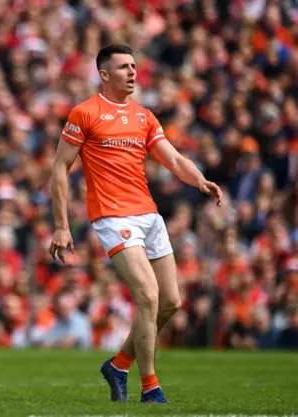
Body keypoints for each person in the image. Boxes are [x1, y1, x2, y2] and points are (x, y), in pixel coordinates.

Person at [49, 44, 222, 404]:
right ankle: (151, 389)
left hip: (149, 214)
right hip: (113, 216)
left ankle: (119, 364)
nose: (132, 72)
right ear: (104, 74)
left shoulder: (144, 116)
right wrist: (62, 225)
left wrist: (200, 179)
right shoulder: (85, 113)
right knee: (148, 296)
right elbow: (59, 171)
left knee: (170, 302)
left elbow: (173, 158)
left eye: (133, 66)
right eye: (123, 67)